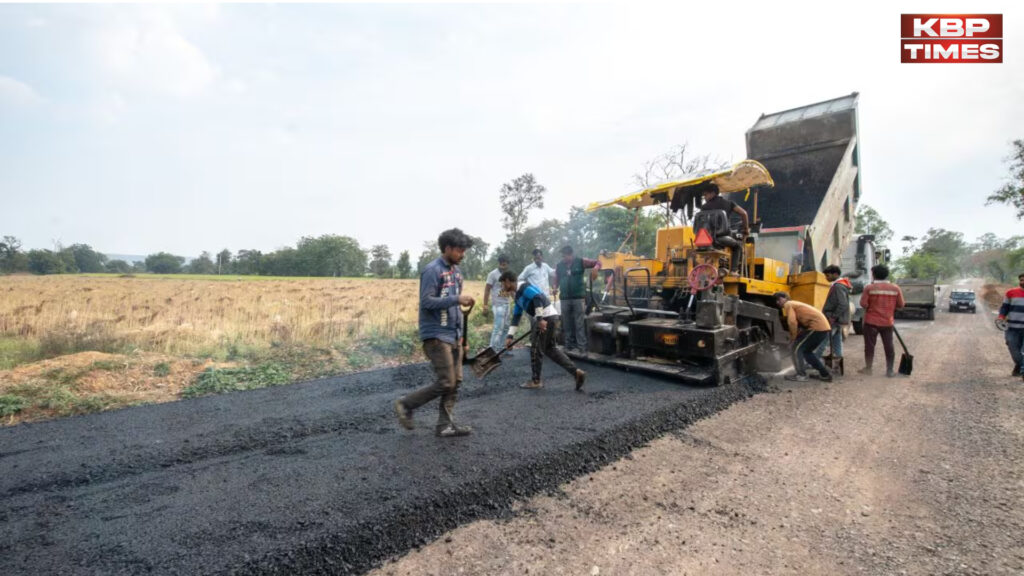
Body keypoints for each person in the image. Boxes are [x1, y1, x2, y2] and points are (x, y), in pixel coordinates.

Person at [394, 228, 476, 438]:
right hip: (436, 334)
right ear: (447, 248)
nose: (463, 254)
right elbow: (427, 301)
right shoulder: (433, 270)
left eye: (464, 250)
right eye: (459, 250)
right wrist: (457, 299)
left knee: (455, 381)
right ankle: (406, 404)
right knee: (446, 381)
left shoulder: (457, 273)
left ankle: (445, 425)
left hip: (453, 334)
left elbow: (454, 308)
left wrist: (461, 335)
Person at [501, 271, 586, 391]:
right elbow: (516, 317)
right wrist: (509, 336)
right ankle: (576, 372)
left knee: (535, 350)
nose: (502, 287)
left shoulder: (523, 286)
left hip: (546, 318)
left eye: (502, 284)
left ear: (508, 281)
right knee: (550, 349)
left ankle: (536, 381)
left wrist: (540, 319)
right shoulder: (517, 296)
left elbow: (537, 297)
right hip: (550, 317)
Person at [858, 264, 905, 377]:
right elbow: (901, 305)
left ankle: (868, 368)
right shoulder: (895, 288)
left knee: (869, 346)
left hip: (871, 322)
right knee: (889, 346)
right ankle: (889, 370)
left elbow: (863, 304)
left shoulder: (869, 288)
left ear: (873, 274)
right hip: (887, 322)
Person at [775, 291, 833, 382]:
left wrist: (793, 339)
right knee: (807, 352)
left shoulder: (788, 304)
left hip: (816, 327)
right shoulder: (795, 304)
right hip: (823, 328)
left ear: (785, 298)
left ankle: (801, 375)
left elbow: (792, 322)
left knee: (796, 349)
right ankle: (825, 374)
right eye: (776, 301)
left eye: (778, 299)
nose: (777, 302)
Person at [553, 245, 602, 353]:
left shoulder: (581, 261)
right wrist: (555, 287)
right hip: (565, 298)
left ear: (570, 254)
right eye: (563, 256)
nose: (564, 258)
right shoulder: (559, 265)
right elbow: (556, 278)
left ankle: (582, 348)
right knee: (566, 323)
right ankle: (568, 345)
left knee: (579, 323)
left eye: (565, 255)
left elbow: (598, 262)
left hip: (578, 298)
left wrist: (595, 268)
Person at [697, 182, 749, 272]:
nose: (704, 197)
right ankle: (733, 271)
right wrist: (746, 229)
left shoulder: (704, 207)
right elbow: (744, 213)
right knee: (737, 246)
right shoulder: (728, 203)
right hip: (721, 238)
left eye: (706, 195)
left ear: (713, 193)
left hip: (706, 240)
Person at [815, 265, 852, 363]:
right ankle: (838, 361)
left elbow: (842, 304)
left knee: (823, 340)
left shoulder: (838, 286)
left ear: (835, 274)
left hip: (835, 319)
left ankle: (814, 361)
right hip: (839, 319)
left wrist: (833, 316)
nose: (826, 278)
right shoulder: (841, 285)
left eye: (828, 275)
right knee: (837, 340)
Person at [483, 255, 513, 355]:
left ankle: (501, 349)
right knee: (498, 327)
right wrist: (485, 305)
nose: (503, 265)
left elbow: (511, 290)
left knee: (506, 327)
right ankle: (491, 351)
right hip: (498, 305)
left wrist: (517, 301)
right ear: (499, 263)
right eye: (501, 262)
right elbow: (487, 289)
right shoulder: (493, 274)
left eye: (505, 263)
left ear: (508, 264)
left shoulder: (509, 275)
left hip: (507, 304)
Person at [998, 272, 1024, 379]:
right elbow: (1005, 307)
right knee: (1013, 349)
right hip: (1012, 327)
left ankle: (1022, 370)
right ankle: (1019, 365)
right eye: (1021, 280)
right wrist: (1001, 317)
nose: (1022, 282)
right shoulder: (1010, 293)